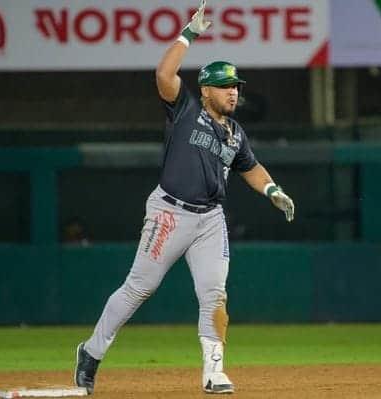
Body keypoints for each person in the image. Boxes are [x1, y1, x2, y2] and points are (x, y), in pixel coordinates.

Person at [73, 0, 295, 394]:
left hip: (210, 219)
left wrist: (273, 189)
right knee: (139, 288)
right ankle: (91, 352)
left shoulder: (236, 133)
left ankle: (213, 372)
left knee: (215, 293)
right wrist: (189, 33)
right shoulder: (186, 109)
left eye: (236, 87)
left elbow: (250, 168)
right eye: (226, 86)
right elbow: (164, 73)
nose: (233, 93)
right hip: (169, 212)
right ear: (206, 89)